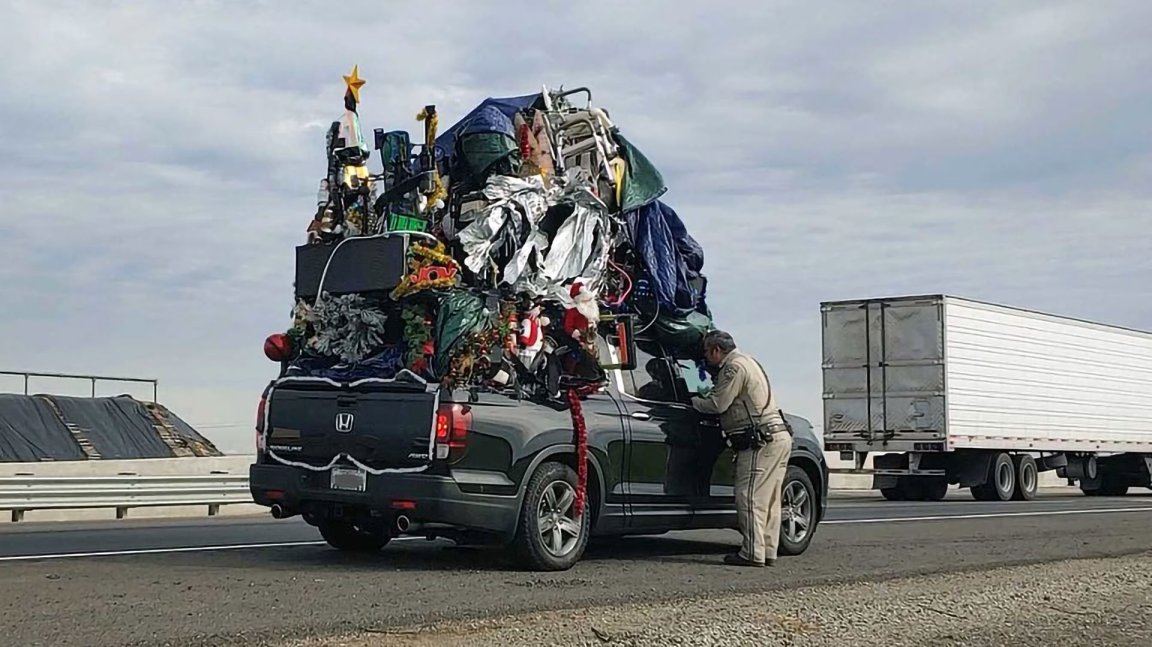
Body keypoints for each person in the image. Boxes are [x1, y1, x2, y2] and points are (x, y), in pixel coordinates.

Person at [690, 330, 792, 567]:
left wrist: (693, 400)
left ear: (716, 350)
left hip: (759, 441)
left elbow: (718, 404)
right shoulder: (749, 361)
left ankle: (752, 553)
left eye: (707, 353)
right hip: (778, 435)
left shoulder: (733, 367)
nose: (706, 358)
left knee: (749, 496)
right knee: (770, 499)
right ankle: (767, 551)